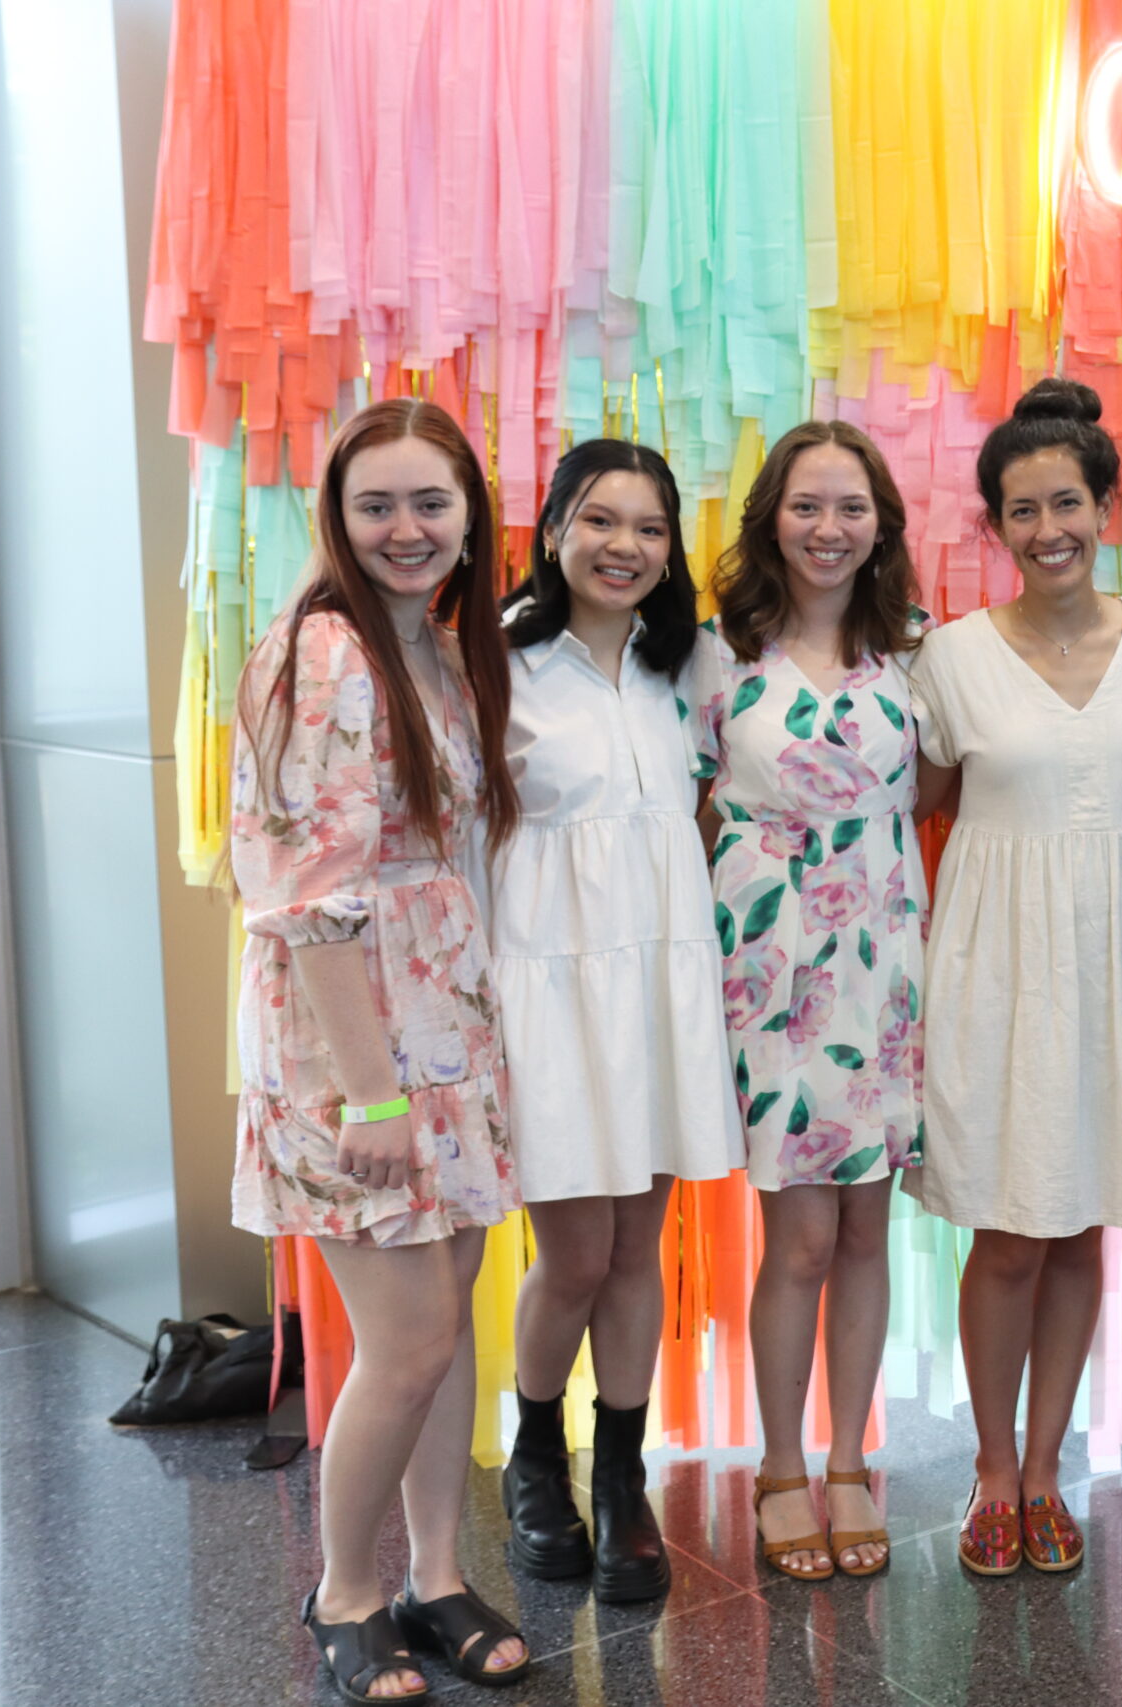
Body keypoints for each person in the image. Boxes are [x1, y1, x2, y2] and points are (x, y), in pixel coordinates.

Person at [229, 398, 528, 1701]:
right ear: (337, 518)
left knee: (444, 1322)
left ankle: (436, 1572)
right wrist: (371, 1090)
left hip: (440, 1017)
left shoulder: (437, 647)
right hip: (354, 1037)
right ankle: (346, 1591)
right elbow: (310, 894)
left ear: (470, 514)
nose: (407, 529)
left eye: (430, 502)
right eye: (377, 505)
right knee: (405, 1340)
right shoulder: (327, 650)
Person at [907, 377, 1122, 1576]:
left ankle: (1045, 1468)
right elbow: (915, 806)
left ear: (1105, 508)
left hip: (1113, 959)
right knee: (1010, 1234)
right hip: (993, 966)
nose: (1047, 530)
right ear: (995, 526)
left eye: (1066, 503)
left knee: (1079, 1229)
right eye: (1021, 511)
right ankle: (990, 1468)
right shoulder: (950, 656)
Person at [490, 438, 742, 1605]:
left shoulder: (687, 661)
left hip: (656, 981)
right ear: (553, 530)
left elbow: (720, 798)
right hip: (545, 984)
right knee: (576, 1252)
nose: (623, 547)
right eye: (599, 520)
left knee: (641, 1248)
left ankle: (622, 1477)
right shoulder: (497, 658)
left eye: (648, 527)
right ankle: (537, 1455)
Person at [692, 421, 929, 1581]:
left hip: (883, 959)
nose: (828, 529)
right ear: (769, 520)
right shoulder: (710, 658)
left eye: (850, 507)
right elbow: (677, 806)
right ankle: (780, 1466)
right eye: (805, 505)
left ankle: (849, 1463)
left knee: (869, 1228)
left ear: (880, 524)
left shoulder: (916, 655)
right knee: (800, 1237)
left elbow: (946, 786)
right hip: (772, 963)